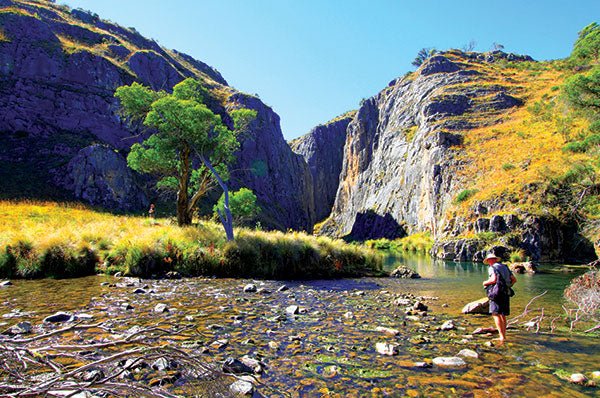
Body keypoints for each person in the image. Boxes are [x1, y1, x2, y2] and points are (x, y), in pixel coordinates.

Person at [482, 253, 516, 343]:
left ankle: (502, 337)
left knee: (495, 314)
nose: (489, 262)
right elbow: (514, 279)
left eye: (488, 261)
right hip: (505, 292)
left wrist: (485, 282)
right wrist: (507, 286)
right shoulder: (505, 267)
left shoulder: (492, 268)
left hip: (496, 293)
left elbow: (493, 279)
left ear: (489, 260)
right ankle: (503, 335)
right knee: (503, 314)